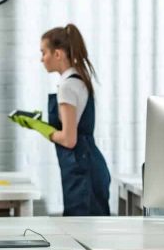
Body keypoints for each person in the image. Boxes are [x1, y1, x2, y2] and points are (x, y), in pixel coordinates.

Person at [12, 24, 110, 216]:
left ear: (58, 54)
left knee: (81, 230)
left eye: (44, 52)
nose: (41, 59)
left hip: (82, 171)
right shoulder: (79, 80)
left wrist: (40, 127)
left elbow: (69, 139)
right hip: (88, 165)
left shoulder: (67, 87)